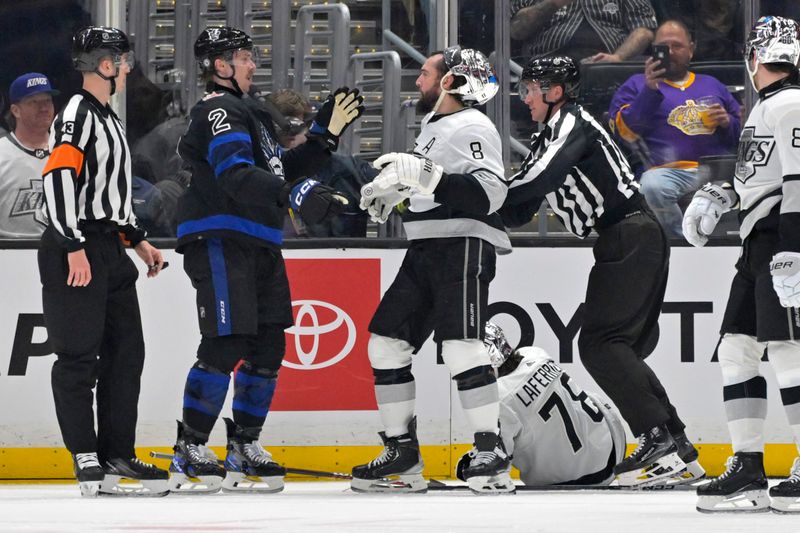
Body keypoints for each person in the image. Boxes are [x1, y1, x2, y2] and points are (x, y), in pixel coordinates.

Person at [168, 26, 363, 494]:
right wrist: (292, 191)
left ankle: (244, 445)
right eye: (243, 57)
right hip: (220, 235)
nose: (253, 64)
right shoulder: (219, 109)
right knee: (226, 340)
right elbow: (235, 175)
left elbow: (279, 173)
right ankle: (190, 446)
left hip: (259, 239)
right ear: (219, 66)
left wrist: (324, 138)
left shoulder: (254, 113)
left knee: (269, 346)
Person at [499, 55, 704, 487]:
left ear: (555, 92)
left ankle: (658, 439)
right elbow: (519, 208)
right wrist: (474, 205)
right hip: (628, 237)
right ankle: (674, 441)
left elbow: (535, 182)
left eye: (530, 90)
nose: (525, 99)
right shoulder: (548, 138)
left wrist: (469, 193)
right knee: (616, 345)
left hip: (629, 235)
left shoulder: (572, 124)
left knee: (601, 344)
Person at [354, 46, 513, 494]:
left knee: (463, 346)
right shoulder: (435, 126)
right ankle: (402, 453)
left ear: (450, 81)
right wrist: (399, 194)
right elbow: (434, 185)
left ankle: (490, 452)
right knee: (387, 343)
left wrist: (427, 179)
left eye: (425, 73)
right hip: (427, 246)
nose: (418, 80)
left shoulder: (473, 124)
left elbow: (490, 193)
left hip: (461, 243)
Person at [38, 26, 169, 497]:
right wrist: (72, 243)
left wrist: (137, 241)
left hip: (108, 248)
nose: (130, 67)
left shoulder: (109, 117)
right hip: (76, 246)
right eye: (124, 59)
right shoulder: (76, 111)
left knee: (125, 354)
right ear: (105, 64)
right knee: (77, 358)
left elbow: (108, 194)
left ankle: (118, 453)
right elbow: (58, 177)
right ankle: (85, 453)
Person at [683, 15, 800, 514]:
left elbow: (798, 181)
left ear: (757, 57)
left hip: (782, 238)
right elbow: (765, 178)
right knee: (737, 349)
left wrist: (795, 250)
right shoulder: (769, 107)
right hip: (759, 241)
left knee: (790, 350)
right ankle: (748, 467)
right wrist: (724, 195)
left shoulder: (792, 103)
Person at [609, 19, 741, 237]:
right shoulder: (636, 84)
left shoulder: (712, 83)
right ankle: (683, 240)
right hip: (663, 173)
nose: (670, 52)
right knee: (651, 186)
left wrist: (728, 123)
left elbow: (742, 136)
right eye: (664, 47)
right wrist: (649, 91)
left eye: (677, 46)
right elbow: (625, 135)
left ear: (691, 50)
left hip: (714, 170)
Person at [454, 322, 627, 487]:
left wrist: (468, 465)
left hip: (575, 479)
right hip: (614, 452)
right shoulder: (535, 354)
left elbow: (496, 460)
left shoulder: (499, 399)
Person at [267, 88, 377, 238]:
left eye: (296, 125)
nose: (289, 134)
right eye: (281, 127)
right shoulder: (257, 173)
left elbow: (401, 201)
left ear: (310, 125)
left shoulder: (350, 171)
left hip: (345, 258)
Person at [0, 73, 58, 238]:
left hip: (63, 254)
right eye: (34, 102)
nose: (44, 108)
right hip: (9, 254)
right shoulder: (1, 154)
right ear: (15, 110)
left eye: (48, 100)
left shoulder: (70, 152)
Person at [509, 0, 658, 64]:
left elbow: (644, 29)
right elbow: (516, 30)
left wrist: (618, 57)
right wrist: (553, 3)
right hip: (548, 66)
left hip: (608, 66)